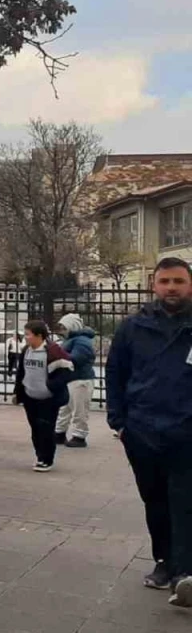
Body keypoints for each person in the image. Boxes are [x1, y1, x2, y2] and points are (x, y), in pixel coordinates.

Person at [106, 257, 192, 604]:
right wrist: (119, 422)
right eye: (165, 281)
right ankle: (164, 562)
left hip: (187, 433)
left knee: (184, 500)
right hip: (142, 432)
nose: (171, 288)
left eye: (179, 281)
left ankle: (184, 572)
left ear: (190, 285)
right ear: (153, 285)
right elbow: (115, 373)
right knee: (154, 500)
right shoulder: (133, 327)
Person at [15, 319, 74, 472]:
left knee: (46, 429)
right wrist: (18, 393)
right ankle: (40, 456)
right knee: (35, 429)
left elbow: (68, 370)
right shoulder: (26, 350)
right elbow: (21, 373)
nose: (25, 337)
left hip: (48, 399)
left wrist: (50, 386)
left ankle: (47, 459)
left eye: (28, 334)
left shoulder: (53, 351)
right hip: (30, 397)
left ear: (39, 336)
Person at [54, 313, 96, 448]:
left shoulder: (81, 341)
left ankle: (79, 436)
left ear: (72, 326)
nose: (62, 330)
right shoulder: (72, 339)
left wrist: (59, 355)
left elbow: (77, 358)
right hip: (72, 378)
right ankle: (59, 433)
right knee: (65, 408)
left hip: (80, 379)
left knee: (79, 409)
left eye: (64, 327)